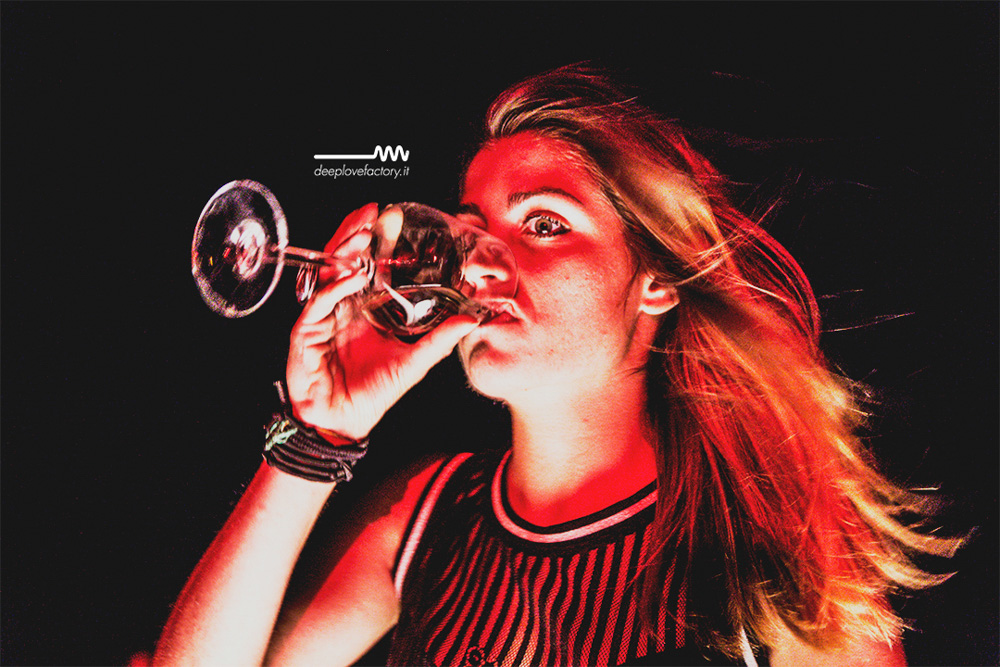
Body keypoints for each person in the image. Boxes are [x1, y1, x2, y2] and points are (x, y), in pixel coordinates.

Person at [154, 65, 961, 666]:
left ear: (655, 280)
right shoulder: (422, 520)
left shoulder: (768, 558)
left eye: (543, 223)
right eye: (470, 228)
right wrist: (316, 434)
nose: (482, 262)